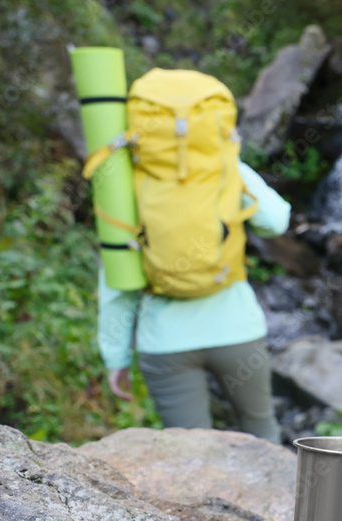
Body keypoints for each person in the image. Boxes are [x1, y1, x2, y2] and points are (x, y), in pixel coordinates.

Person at [97, 160, 290, 444]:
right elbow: (275, 221)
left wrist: (116, 356)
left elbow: (117, 281)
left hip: (166, 344)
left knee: (190, 450)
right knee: (260, 430)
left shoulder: (128, 176)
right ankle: (281, 490)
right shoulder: (220, 159)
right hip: (237, 331)